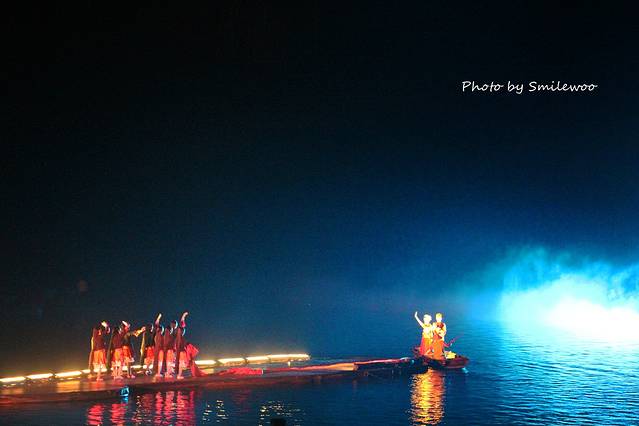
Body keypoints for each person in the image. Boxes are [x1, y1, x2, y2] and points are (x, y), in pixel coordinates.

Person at [174, 311, 189, 379]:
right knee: (181, 362)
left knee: (179, 362)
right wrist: (183, 316)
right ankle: (179, 375)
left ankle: (178, 374)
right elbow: (181, 323)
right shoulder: (179, 334)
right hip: (180, 350)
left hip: (178, 350)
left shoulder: (177, 336)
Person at [152, 313, 166, 377]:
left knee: (158, 361)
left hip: (157, 349)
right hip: (159, 350)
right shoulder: (159, 334)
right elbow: (156, 324)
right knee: (159, 361)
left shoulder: (158, 335)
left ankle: (158, 372)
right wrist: (158, 318)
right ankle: (158, 373)